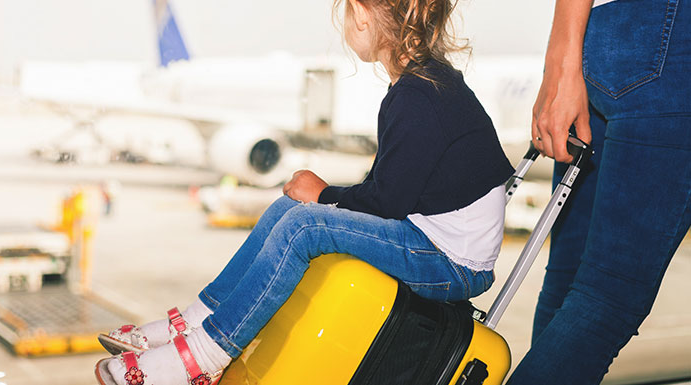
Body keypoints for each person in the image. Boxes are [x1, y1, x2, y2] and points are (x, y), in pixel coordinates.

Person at [95, 0, 515, 384]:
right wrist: (320, 195)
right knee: (290, 208)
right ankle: (193, 322)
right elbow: (393, 191)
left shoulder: (417, 95)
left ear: (361, 14)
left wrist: (323, 191)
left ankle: (201, 359)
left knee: (302, 225)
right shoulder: (426, 84)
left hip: (450, 262)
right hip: (436, 242)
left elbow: (388, 203)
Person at [508, 0, 691, 383]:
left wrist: (563, 60)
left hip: (603, 33)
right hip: (673, 48)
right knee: (606, 300)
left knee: (569, 285)